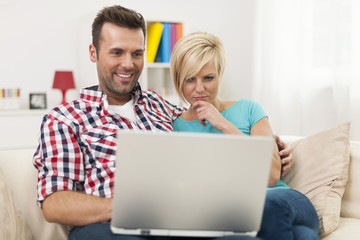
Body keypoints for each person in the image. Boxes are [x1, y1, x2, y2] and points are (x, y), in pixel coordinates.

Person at [32, 5, 291, 240]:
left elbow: (203, 125)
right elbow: (54, 204)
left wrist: (272, 147)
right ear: (93, 52)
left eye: (136, 53)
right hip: (106, 226)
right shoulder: (65, 119)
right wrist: (128, 207)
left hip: (177, 221)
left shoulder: (161, 106)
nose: (128, 63)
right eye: (116, 52)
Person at [170, 32, 319, 240]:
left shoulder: (249, 109)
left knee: (270, 207)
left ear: (220, 74)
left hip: (279, 199)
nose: (199, 89)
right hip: (233, 214)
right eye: (189, 79)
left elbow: (271, 176)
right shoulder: (175, 127)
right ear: (178, 79)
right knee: (303, 236)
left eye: (208, 78)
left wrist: (223, 124)